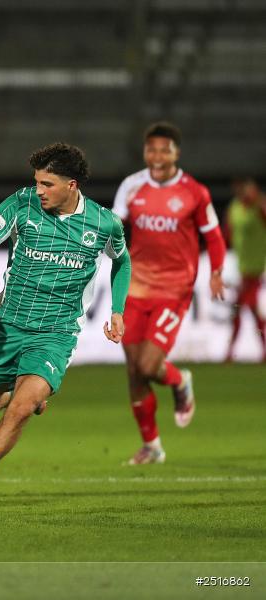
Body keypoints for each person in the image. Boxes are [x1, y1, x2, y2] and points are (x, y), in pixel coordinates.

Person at [0, 143, 130, 511]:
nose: (38, 190)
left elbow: (123, 261)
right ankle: (27, 395)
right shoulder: (21, 204)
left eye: (47, 184)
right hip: (8, 326)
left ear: (71, 185)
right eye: (36, 182)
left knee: (20, 409)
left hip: (55, 335)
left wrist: (118, 310)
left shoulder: (104, 223)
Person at [112, 122, 226, 465]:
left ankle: (179, 381)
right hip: (135, 286)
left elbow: (215, 236)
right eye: (152, 149)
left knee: (148, 365)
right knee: (134, 370)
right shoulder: (131, 186)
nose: (157, 156)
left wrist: (217, 272)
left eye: (164, 149)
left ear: (177, 153)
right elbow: (115, 227)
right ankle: (152, 446)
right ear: (145, 151)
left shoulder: (195, 192)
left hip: (174, 289)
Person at [224, 177, 266, 362]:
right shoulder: (234, 208)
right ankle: (262, 349)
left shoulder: (260, 208)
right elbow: (228, 232)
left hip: (257, 269)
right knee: (250, 310)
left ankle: (230, 352)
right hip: (241, 268)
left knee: (238, 308)